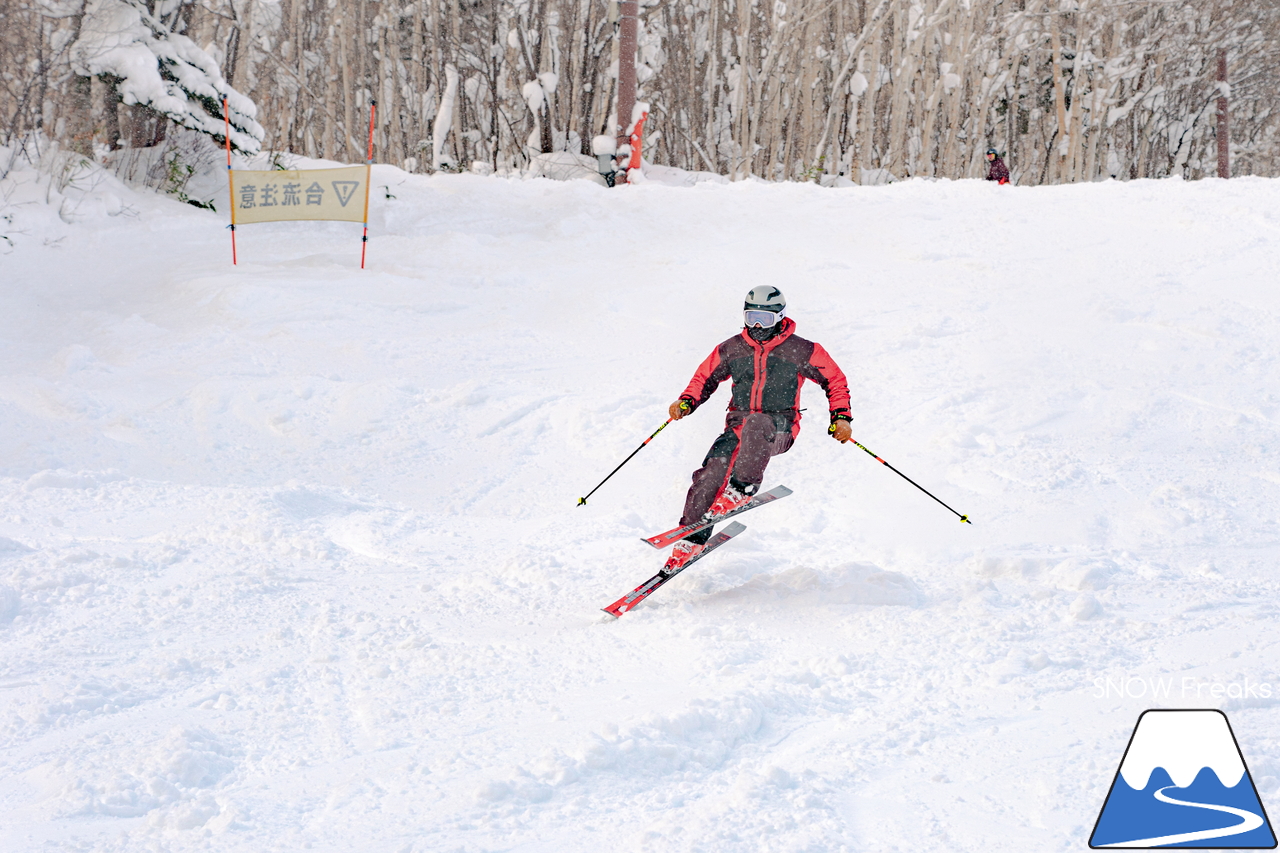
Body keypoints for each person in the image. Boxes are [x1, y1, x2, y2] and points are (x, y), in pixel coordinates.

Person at [663, 287, 852, 572]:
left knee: (757, 422)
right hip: (737, 426)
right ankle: (690, 538)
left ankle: (742, 488)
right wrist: (687, 401)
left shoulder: (801, 349)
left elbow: (835, 380)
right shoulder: (732, 348)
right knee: (710, 472)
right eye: (752, 317)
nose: (757, 326)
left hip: (777, 428)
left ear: (780, 316)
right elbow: (705, 377)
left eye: (764, 317)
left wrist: (841, 418)